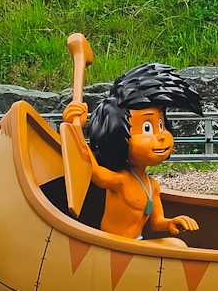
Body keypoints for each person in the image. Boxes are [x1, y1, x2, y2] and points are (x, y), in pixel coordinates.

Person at [61, 63, 204, 243]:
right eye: (147, 128)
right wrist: (74, 130)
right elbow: (92, 169)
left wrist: (170, 223)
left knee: (176, 243)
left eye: (160, 125)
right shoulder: (120, 181)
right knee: (177, 246)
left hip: (137, 242)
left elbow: (155, 223)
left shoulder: (152, 186)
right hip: (113, 246)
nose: (161, 136)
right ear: (117, 137)